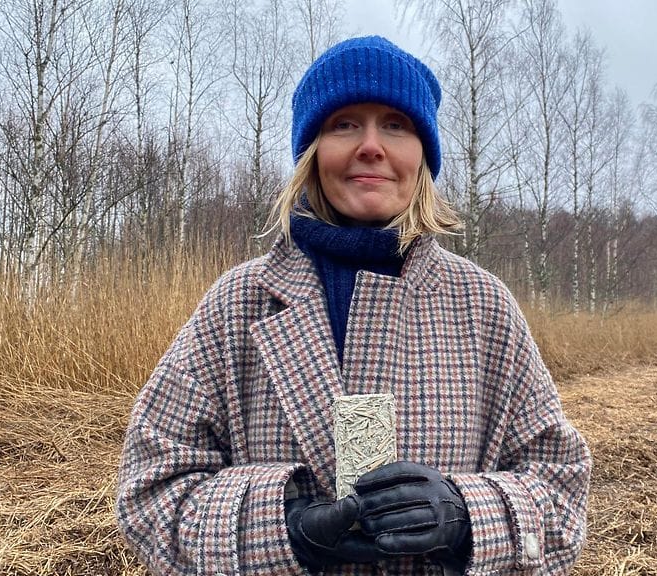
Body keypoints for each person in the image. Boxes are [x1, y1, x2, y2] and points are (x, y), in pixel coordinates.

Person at [115, 35, 592, 575]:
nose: (371, 145)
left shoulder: (483, 306)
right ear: (312, 151)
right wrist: (279, 530)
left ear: (423, 153)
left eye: (395, 123)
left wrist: (469, 518)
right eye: (344, 124)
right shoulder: (238, 304)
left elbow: (561, 492)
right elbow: (149, 494)